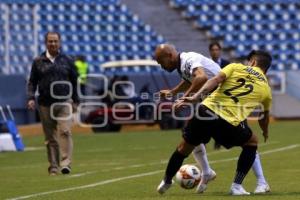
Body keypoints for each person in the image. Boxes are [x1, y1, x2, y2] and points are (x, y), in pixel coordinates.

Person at [157, 50, 272, 195]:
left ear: (253, 62)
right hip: (227, 121)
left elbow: (214, 80)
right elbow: (263, 117)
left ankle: (167, 180)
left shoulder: (236, 67)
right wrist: (265, 131)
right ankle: (236, 186)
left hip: (205, 110)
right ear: (266, 69)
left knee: (183, 148)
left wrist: (195, 96)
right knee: (252, 142)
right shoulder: (266, 89)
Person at [155, 44, 219, 194]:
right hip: (214, 103)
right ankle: (207, 171)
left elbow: (201, 77)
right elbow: (190, 79)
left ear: (170, 55)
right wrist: (174, 92)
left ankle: (170, 179)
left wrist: (183, 99)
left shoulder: (188, 59)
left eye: (161, 62)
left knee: (246, 141)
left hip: (222, 103)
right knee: (190, 137)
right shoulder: (183, 65)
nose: (161, 66)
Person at [27, 31, 79, 175]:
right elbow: (32, 81)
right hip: (45, 104)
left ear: (60, 42)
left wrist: (76, 100)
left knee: (65, 131)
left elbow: (75, 82)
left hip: (64, 102)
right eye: (50, 41)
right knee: (50, 138)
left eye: (55, 41)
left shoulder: (68, 60)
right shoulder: (38, 61)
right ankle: (54, 166)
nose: (53, 44)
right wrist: (31, 98)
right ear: (46, 43)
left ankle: (66, 163)